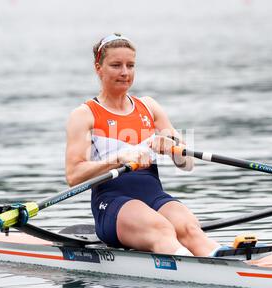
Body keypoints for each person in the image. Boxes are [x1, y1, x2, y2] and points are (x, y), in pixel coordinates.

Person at [65, 33, 221, 257]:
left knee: (190, 228)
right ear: (98, 68)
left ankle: (229, 267)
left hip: (154, 197)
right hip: (112, 203)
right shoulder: (84, 115)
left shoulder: (149, 106)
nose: (125, 72)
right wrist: (120, 158)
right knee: (162, 228)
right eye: (116, 65)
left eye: (130, 65)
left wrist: (172, 145)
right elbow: (74, 175)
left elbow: (187, 165)